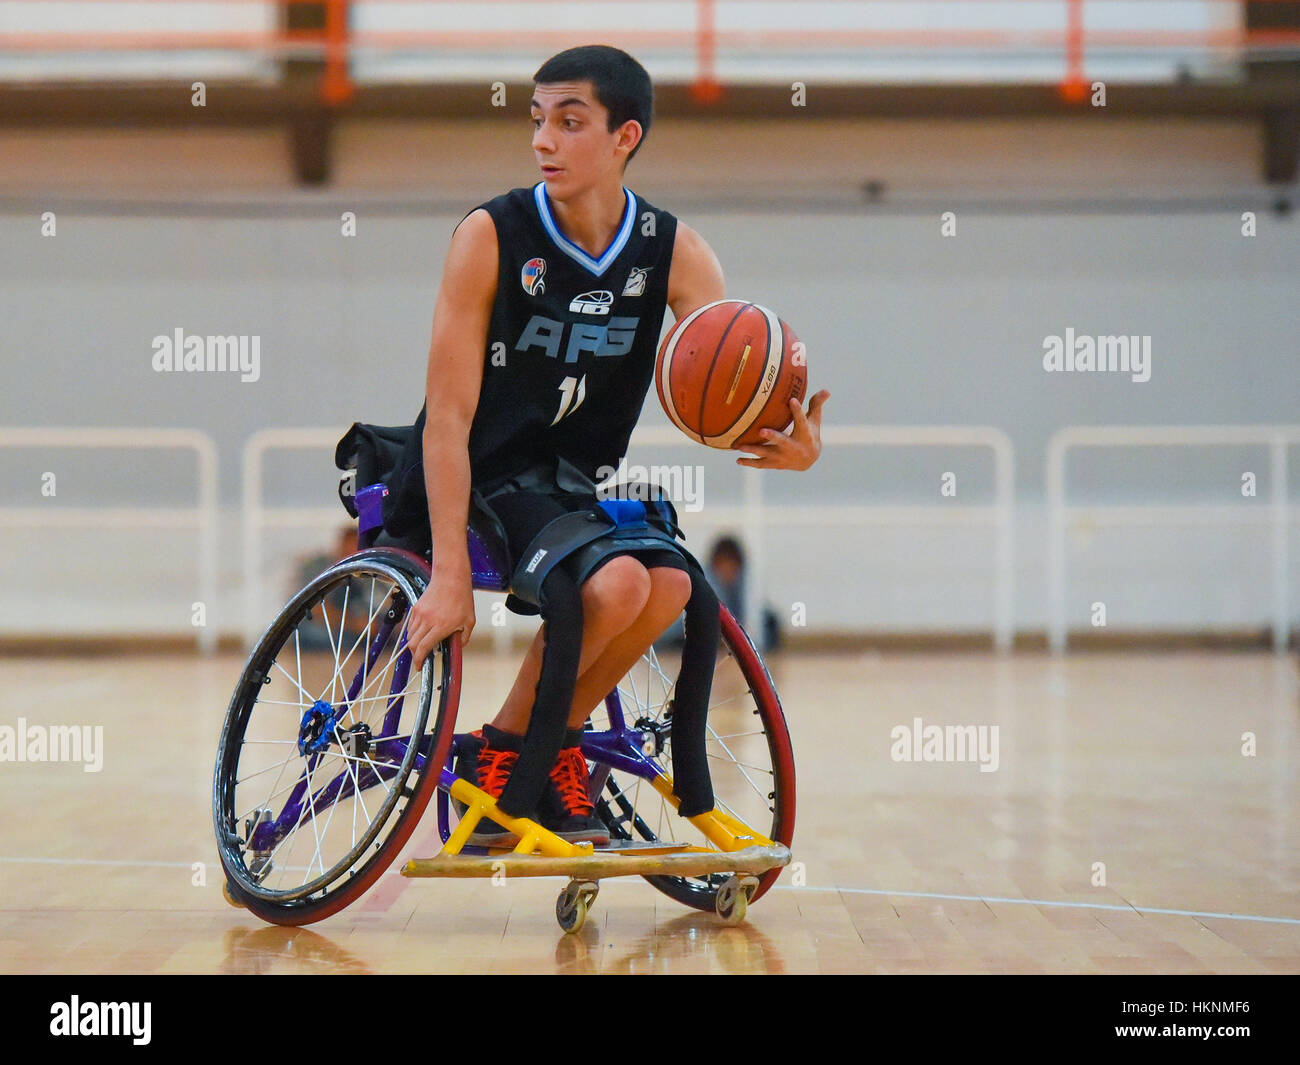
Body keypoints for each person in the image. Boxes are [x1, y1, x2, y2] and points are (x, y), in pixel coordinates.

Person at [400, 45, 829, 846]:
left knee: (665, 586)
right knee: (616, 585)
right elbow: (447, 419)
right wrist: (450, 574)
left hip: (570, 486)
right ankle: (502, 755)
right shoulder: (491, 236)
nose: (543, 142)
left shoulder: (675, 252)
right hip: (475, 475)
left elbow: (735, 367)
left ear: (625, 135)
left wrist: (788, 435)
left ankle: (540, 748)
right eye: (537, 122)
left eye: (569, 123)